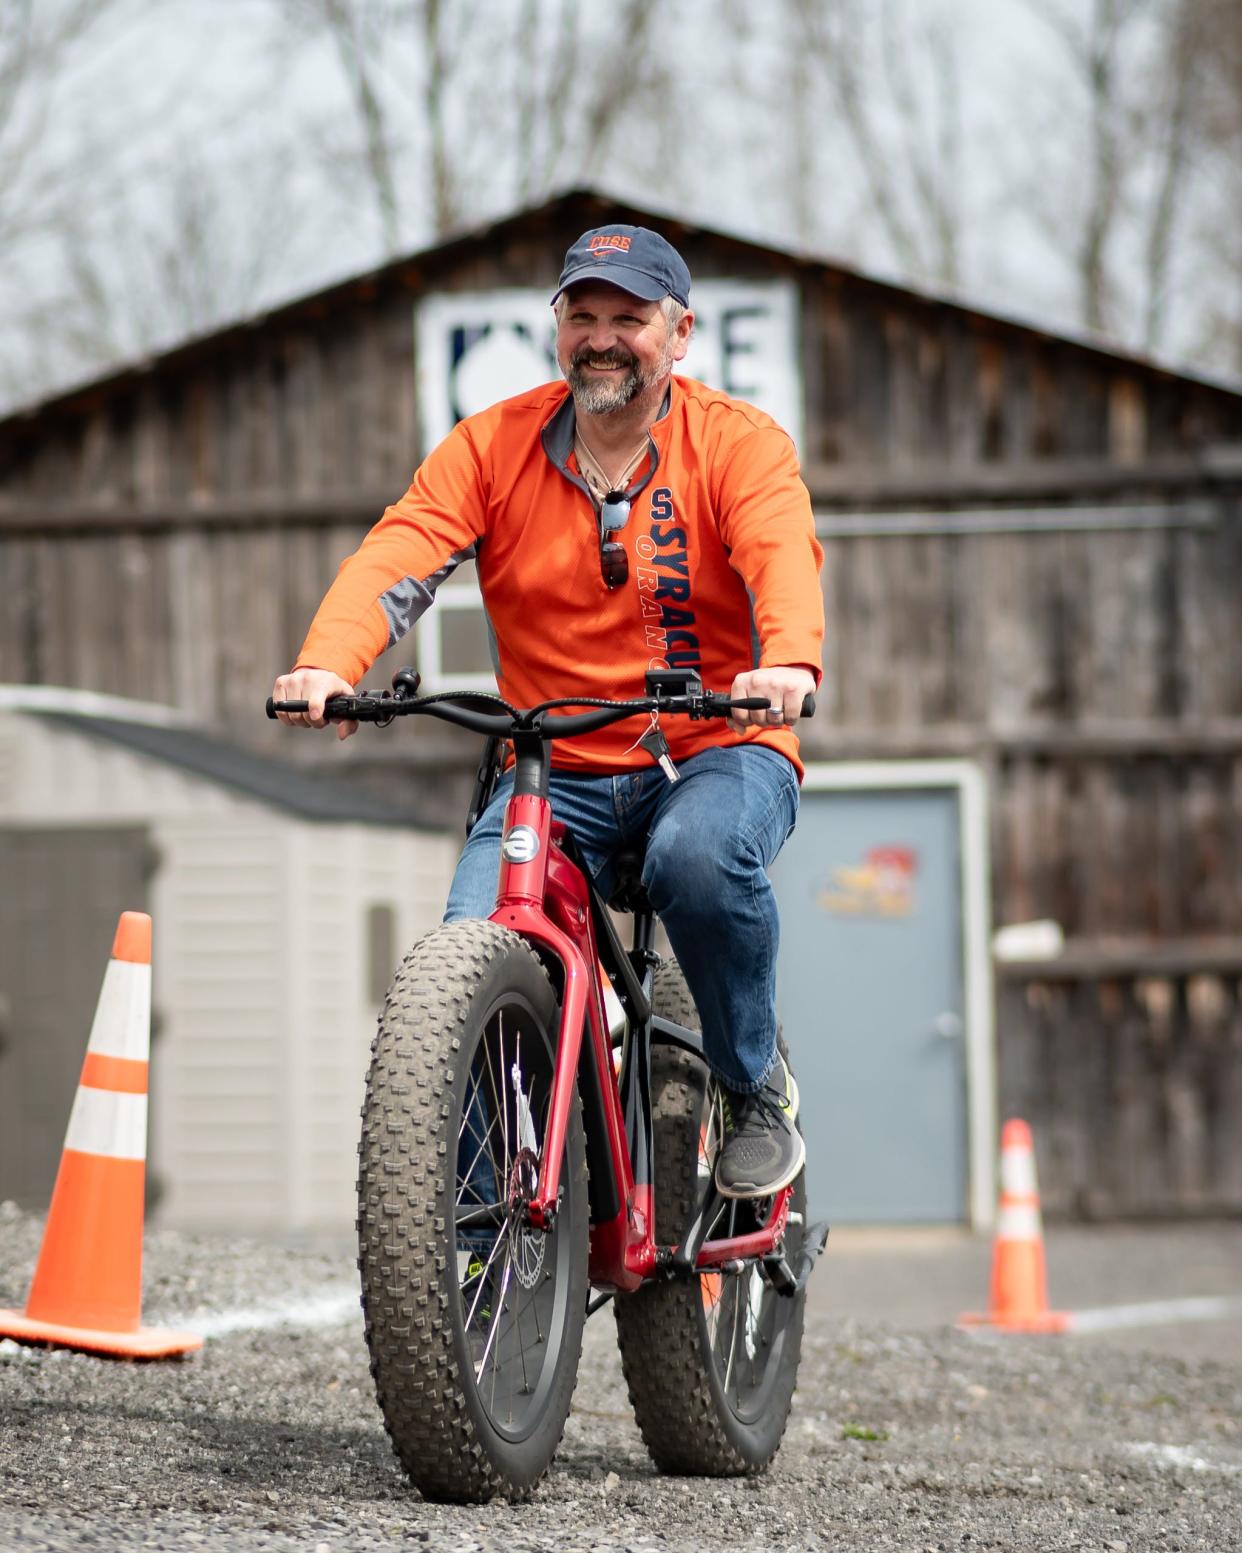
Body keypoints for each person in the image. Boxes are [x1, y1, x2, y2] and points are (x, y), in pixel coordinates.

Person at [272, 224, 824, 1199]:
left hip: (714, 747)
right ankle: (476, 1233)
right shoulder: (492, 446)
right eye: (583, 314)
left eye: (629, 318)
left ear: (681, 332)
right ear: (557, 326)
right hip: (556, 769)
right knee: (472, 946)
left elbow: (779, 553)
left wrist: (784, 661)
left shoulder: (736, 444)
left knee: (696, 859)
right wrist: (327, 662)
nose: (602, 337)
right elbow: (398, 558)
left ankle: (750, 1084)